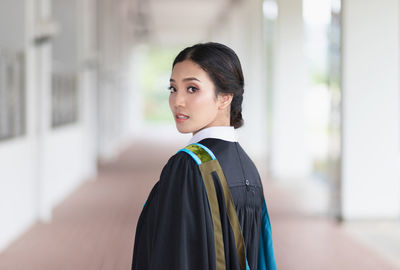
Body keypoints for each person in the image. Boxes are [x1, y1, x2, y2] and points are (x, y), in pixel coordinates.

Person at [131, 42, 276, 270]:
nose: (177, 101)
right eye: (173, 89)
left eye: (192, 89)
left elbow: (175, 258)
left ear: (225, 97)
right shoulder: (248, 168)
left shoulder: (189, 165)